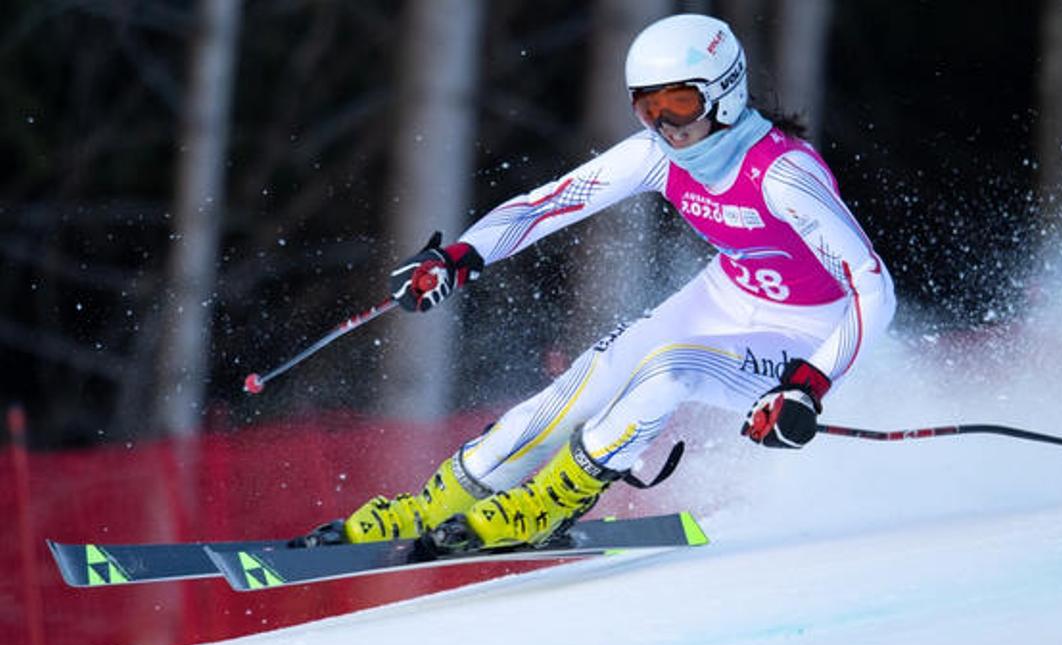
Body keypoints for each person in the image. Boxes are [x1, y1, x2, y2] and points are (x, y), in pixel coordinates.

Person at [294, 13, 896, 552]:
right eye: (648, 108)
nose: (666, 126)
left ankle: (553, 500)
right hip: (726, 296)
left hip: (808, 332)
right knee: (589, 379)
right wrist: (459, 257)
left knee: (669, 369)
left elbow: (873, 289)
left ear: (726, 95)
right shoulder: (656, 156)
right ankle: (438, 503)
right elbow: (545, 207)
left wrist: (809, 386)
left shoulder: (782, 177)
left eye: (680, 104)